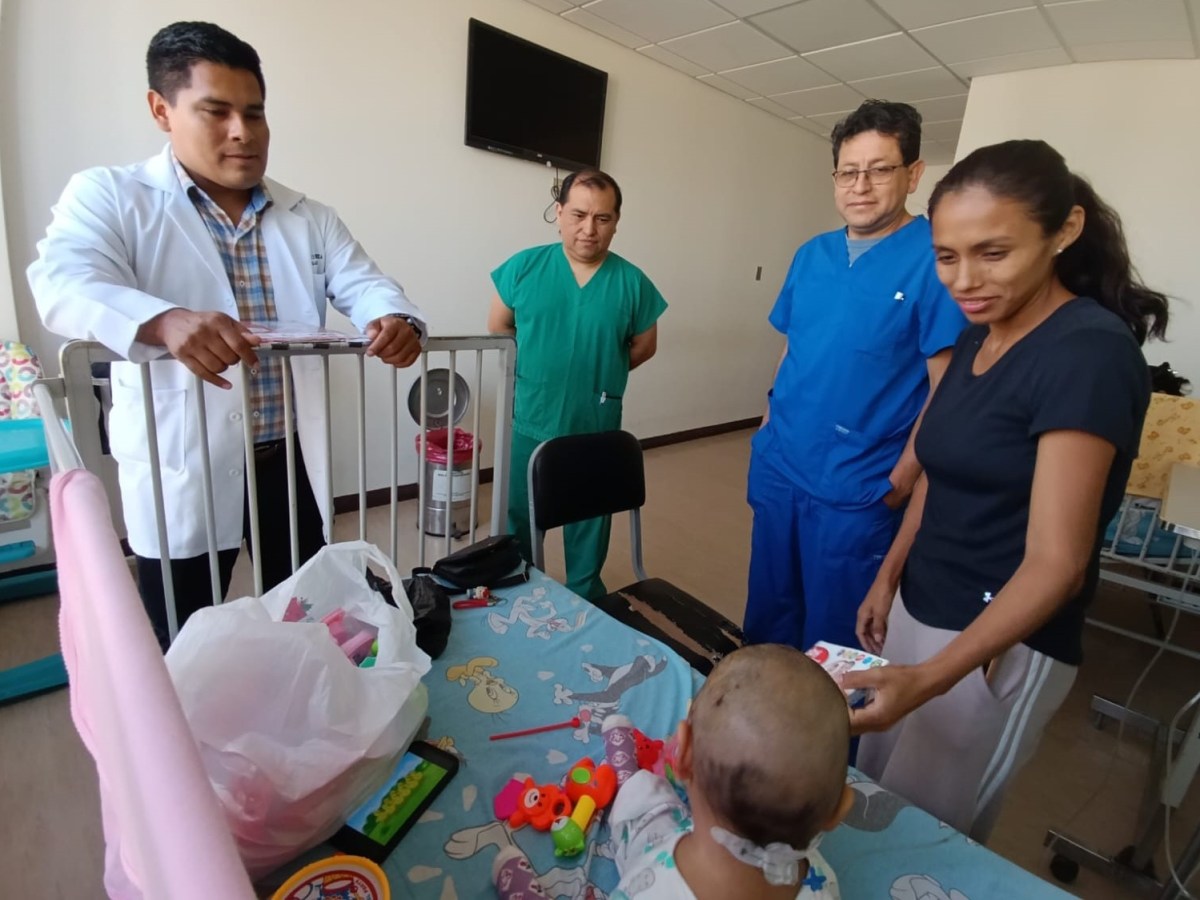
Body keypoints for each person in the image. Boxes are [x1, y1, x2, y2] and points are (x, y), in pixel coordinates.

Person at [28, 21, 426, 648]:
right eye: (216, 112)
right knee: (185, 631)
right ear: (161, 110)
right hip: (182, 461)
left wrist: (395, 319)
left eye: (255, 113)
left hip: (284, 457)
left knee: (306, 608)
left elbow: (367, 283)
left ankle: (305, 698)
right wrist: (162, 319)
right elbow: (62, 281)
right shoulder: (111, 195)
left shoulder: (309, 217)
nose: (243, 131)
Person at [845, 139, 1168, 842]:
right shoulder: (978, 335)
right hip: (922, 601)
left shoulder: (1087, 353)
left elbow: (1057, 565)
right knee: (872, 791)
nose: (965, 280)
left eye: (993, 253)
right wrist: (888, 577)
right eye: (946, 256)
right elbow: (940, 470)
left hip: (999, 639)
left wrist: (933, 678)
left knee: (927, 830)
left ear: (1066, 229)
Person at [744, 100, 966, 653]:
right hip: (781, 464)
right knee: (770, 613)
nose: (860, 186)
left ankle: (827, 716)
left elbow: (948, 391)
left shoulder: (935, 262)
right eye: (848, 171)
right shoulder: (811, 255)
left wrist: (902, 478)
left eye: (880, 169)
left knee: (835, 640)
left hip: (859, 485)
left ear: (914, 173)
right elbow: (793, 350)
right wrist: (767, 426)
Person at [492, 644, 852, 899]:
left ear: (682, 755)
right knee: (649, 806)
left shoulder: (645, 890)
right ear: (839, 810)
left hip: (659, 861)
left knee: (644, 802)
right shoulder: (824, 886)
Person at [487, 169, 666, 599]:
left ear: (616, 222)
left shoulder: (632, 282)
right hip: (531, 412)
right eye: (579, 215)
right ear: (559, 212)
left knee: (590, 515)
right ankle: (521, 586)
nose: (589, 229)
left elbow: (644, 346)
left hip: (595, 418)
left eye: (603, 218)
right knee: (520, 510)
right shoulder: (524, 267)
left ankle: (585, 591)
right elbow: (499, 330)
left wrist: (600, 372)